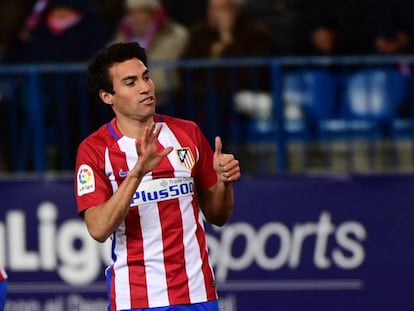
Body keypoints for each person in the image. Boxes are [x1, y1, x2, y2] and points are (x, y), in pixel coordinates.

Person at [74, 41, 241, 311]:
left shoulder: (188, 133)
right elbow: (98, 229)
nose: (145, 87)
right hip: (137, 297)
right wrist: (138, 172)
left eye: (146, 77)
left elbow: (218, 216)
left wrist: (224, 182)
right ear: (108, 96)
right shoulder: (95, 150)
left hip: (197, 293)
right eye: (130, 82)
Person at [110, 0, 189, 111]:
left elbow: (162, 76)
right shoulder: (123, 36)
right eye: (132, 13)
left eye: (141, 12)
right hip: (130, 102)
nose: (136, 18)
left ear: (153, 14)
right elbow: (109, 64)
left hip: (165, 100)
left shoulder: (173, 35)